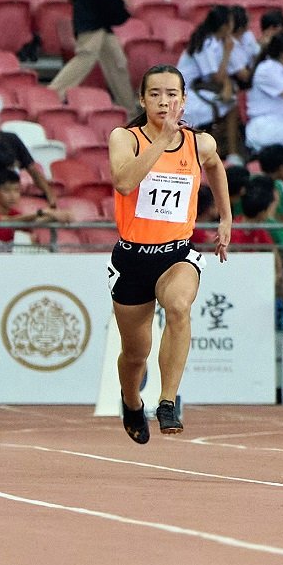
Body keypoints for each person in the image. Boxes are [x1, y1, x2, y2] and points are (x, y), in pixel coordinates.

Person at [105, 65, 233, 443]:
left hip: (177, 254)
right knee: (135, 354)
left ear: (183, 99)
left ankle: (167, 400)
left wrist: (226, 216)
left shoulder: (199, 143)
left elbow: (215, 166)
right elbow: (125, 182)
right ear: (142, 100)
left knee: (179, 307)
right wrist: (161, 140)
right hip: (131, 259)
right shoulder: (124, 138)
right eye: (156, 94)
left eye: (172, 94)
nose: (165, 101)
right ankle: (132, 400)